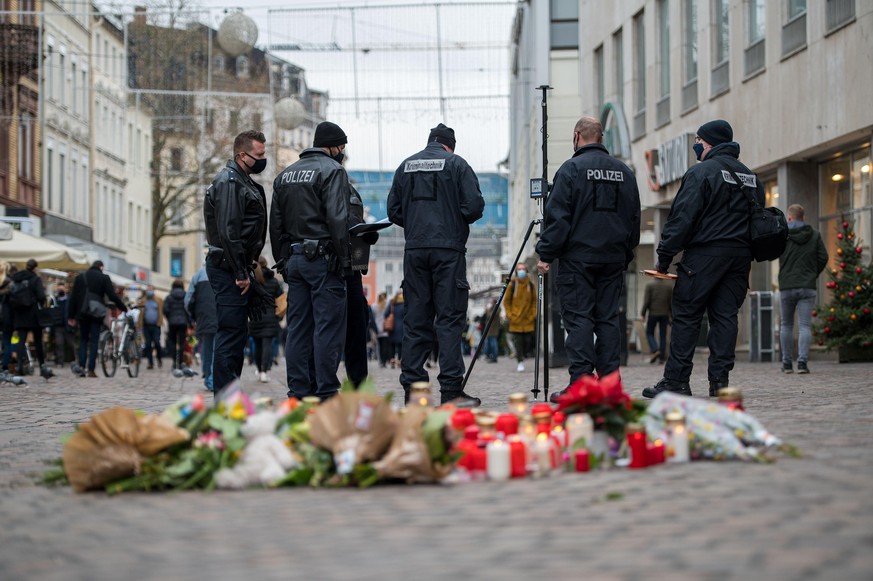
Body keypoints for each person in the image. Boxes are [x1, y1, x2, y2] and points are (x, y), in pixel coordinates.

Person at [642, 119, 765, 399]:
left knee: (686, 315)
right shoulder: (751, 177)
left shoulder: (702, 172)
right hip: (739, 258)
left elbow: (682, 218)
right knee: (725, 317)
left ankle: (676, 380)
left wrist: (664, 256)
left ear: (708, 142)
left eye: (698, 140)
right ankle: (720, 382)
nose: (695, 145)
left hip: (705, 256)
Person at [535, 117, 640, 402]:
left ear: (576, 136)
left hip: (577, 259)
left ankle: (581, 382)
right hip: (612, 259)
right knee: (607, 319)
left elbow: (558, 219)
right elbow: (634, 217)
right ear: (601, 137)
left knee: (579, 318)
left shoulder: (570, 170)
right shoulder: (624, 172)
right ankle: (609, 383)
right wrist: (626, 253)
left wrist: (546, 253)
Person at [387, 123, 485, 406]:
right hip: (448, 251)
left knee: (416, 322)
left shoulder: (406, 165)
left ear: (430, 142)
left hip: (415, 251)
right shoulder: (457, 164)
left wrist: (418, 224)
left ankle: (414, 393)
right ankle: (451, 391)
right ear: (450, 145)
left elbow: (393, 210)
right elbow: (474, 207)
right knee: (449, 321)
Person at [270, 121, 351, 401]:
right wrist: (344, 259)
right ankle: (327, 390)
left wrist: (283, 261)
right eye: (341, 146)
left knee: (297, 329)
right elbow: (337, 218)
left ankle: (298, 390)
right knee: (327, 327)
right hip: (324, 259)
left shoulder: (284, 176)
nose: (342, 152)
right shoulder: (333, 171)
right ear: (332, 146)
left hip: (294, 259)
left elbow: (275, 225)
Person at [204, 129, 269, 397]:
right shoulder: (230, 182)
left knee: (236, 333)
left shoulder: (242, 181)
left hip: (235, 265)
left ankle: (230, 391)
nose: (263, 159)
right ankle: (225, 396)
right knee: (231, 333)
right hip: (229, 267)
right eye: (259, 154)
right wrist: (242, 272)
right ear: (242, 155)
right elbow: (230, 230)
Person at [778, 204, 828, 374]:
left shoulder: (783, 234)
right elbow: (823, 257)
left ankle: (786, 363)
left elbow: (773, 253)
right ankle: (802, 363)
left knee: (786, 325)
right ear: (803, 217)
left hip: (787, 285)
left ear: (789, 218)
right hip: (807, 286)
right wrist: (813, 273)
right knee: (805, 325)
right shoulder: (814, 234)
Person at [69, 260, 127, 378]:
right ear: (101, 267)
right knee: (94, 341)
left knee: (83, 340)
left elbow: (73, 297)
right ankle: (91, 369)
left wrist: (71, 315)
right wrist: (123, 307)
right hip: (96, 313)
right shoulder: (104, 278)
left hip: (83, 312)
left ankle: (81, 367)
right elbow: (112, 295)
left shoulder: (81, 277)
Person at [9, 259, 52, 378]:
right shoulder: (35, 279)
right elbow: (41, 296)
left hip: (19, 313)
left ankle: (19, 366)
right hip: (33, 314)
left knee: (20, 340)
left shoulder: (17, 278)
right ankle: (42, 366)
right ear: (35, 268)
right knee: (38, 341)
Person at [248, 257, 283, 383]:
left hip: (255, 317)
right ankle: (264, 371)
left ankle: (258, 369)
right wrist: (279, 316)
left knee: (257, 345)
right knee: (267, 344)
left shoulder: (252, 280)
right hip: (270, 318)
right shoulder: (273, 281)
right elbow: (281, 299)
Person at [185, 266, 218, 391]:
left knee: (206, 349)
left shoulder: (198, 275)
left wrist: (194, 316)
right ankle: (214, 379)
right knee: (218, 349)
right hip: (222, 316)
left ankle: (209, 378)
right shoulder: (227, 271)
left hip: (203, 318)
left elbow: (188, 300)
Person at [504, 262, 537, 372]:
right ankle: (520, 361)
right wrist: (510, 315)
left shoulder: (531, 285)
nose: (521, 271)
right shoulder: (512, 285)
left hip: (528, 320)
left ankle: (523, 356)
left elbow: (534, 302)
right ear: (516, 271)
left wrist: (533, 314)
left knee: (527, 341)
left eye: (523, 269)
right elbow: (506, 302)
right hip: (515, 320)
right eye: (519, 269)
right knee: (518, 342)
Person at [641, 278, 673, 364]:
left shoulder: (650, 285)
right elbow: (671, 302)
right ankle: (662, 358)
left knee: (649, 332)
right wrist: (672, 315)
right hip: (665, 314)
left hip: (653, 313)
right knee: (663, 335)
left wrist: (643, 314)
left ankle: (655, 350)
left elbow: (646, 301)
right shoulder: (669, 286)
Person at [163, 279, 190, 370]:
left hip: (172, 322)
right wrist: (189, 322)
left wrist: (169, 317)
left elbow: (165, 309)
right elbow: (188, 309)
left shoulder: (169, 297)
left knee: (172, 342)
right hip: (183, 322)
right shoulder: (186, 296)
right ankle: (180, 362)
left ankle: (174, 362)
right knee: (182, 343)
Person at [138, 285, 164, 369]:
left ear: (154, 290)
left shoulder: (158, 300)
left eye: (151, 289)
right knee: (148, 344)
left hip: (156, 325)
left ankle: (159, 358)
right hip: (146, 325)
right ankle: (150, 362)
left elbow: (162, 311)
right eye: (148, 290)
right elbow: (141, 313)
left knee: (157, 342)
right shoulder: (143, 301)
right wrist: (139, 324)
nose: (150, 291)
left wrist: (160, 321)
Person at [52, 282, 75, 367]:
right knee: (59, 344)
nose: (60, 291)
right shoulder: (55, 300)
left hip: (68, 325)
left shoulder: (69, 300)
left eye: (62, 289)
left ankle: (73, 360)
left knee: (70, 344)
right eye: (59, 289)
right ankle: (60, 361)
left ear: (66, 290)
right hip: (58, 325)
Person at [384, 291, 405, 368]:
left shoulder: (392, 304)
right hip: (402, 327)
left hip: (392, 327)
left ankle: (392, 360)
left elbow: (385, 314)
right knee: (400, 345)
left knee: (392, 345)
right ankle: (399, 361)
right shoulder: (404, 304)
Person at [374, 291, 391, 368]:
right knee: (385, 346)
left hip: (377, 328)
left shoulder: (374, 306)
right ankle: (384, 362)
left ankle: (380, 361)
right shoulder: (387, 305)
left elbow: (373, 317)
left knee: (379, 346)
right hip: (385, 328)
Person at [480, 298, 501, 363]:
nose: (489, 303)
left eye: (490, 301)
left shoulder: (497, 308)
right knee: (489, 343)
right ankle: (489, 356)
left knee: (493, 343)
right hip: (489, 330)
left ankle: (494, 357)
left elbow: (491, 315)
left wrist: (487, 309)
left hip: (493, 330)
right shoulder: (492, 308)